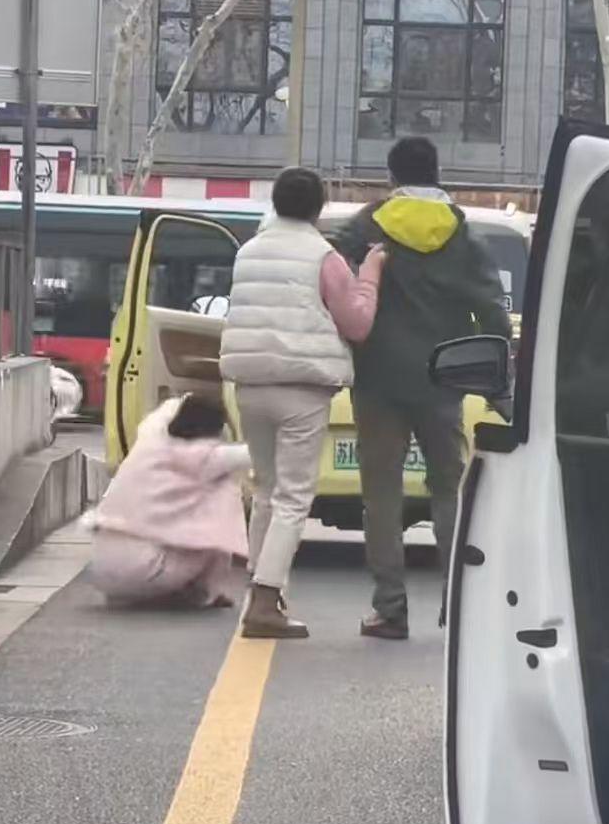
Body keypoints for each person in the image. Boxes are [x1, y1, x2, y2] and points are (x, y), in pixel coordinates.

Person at [334, 136, 511, 640]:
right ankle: (458, 608)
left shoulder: (367, 226)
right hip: (444, 380)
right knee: (448, 490)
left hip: (378, 379)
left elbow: (330, 276)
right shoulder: (463, 233)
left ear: (391, 176)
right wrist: (498, 375)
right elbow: (492, 309)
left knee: (382, 496)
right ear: (438, 173)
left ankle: (390, 610)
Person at [221, 167, 387, 639]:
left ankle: (258, 589)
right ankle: (266, 599)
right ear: (318, 208)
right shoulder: (323, 257)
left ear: (275, 202)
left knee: (266, 489)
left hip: (250, 383)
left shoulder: (248, 251)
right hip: (301, 386)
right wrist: (370, 275)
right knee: (294, 497)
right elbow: (357, 323)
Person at [84, 394, 251, 608]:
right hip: (145, 572)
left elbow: (162, 413)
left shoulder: (149, 445)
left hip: (99, 568)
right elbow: (256, 453)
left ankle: (138, 592)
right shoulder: (207, 458)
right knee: (216, 534)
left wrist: (185, 400)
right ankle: (205, 593)